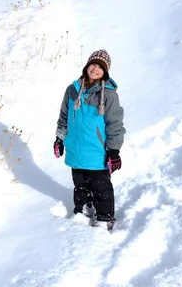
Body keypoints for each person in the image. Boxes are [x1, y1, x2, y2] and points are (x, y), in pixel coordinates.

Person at [54, 49, 125, 230]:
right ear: (87, 66)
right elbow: (64, 116)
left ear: (105, 72)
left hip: (97, 151)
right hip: (75, 148)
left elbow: (115, 124)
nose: (95, 69)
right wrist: (59, 139)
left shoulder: (108, 95)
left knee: (101, 187)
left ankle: (104, 217)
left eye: (100, 67)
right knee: (80, 185)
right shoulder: (72, 90)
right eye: (93, 64)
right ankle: (83, 209)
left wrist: (114, 150)